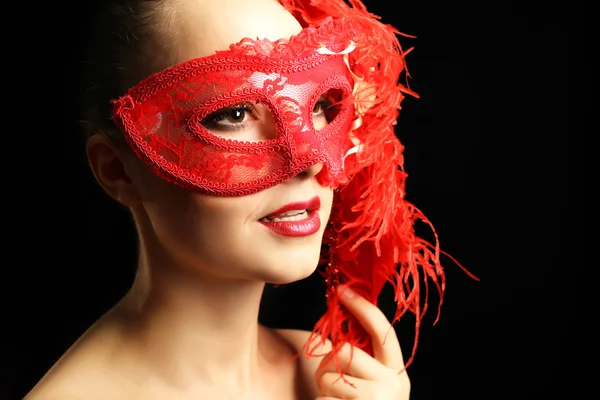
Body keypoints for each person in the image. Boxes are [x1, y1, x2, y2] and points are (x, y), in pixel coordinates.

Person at [26, 0, 472, 398]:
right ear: (117, 170)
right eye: (233, 114)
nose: (310, 160)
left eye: (322, 105)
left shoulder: (337, 380)